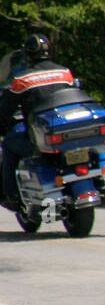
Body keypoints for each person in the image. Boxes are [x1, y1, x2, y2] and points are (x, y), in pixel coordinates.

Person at [0, 34, 74, 208]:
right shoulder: (65, 73)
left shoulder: (23, 79)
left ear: (28, 54)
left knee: (9, 145)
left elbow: (6, 109)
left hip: (42, 136)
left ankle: (11, 195)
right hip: (68, 132)